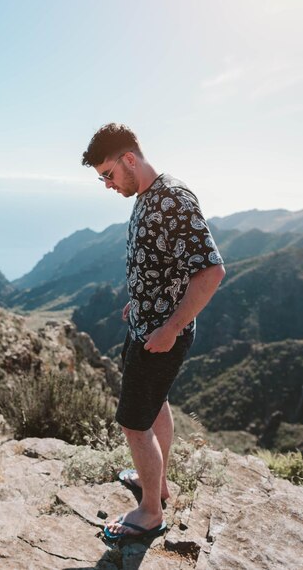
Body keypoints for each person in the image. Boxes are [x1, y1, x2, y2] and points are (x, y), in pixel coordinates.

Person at [81, 123, 225, 542]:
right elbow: (163, 263)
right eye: (101, 179)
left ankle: (149, 513)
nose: (106, 184)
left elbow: (211, 271)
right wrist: (140, 300)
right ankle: (156, 485)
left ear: (130, 159)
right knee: (154, 403)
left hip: (162, 335)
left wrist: (169, 327)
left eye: (108, 173)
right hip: (147, 323)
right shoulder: (146, 195)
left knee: (133, 423)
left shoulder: (172, 199)